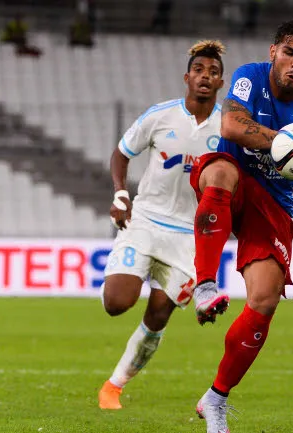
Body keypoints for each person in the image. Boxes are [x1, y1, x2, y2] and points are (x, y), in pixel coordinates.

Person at [189, 20, 293, 433]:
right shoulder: (249, 76)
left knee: (264, 299)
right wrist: (287, 143)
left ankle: (216, 398)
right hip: (232, 178)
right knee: (220, 171)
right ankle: (205, 286)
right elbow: (230, 127)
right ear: (273, 52)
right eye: (288, 52)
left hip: (273, 203)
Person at [97, 41, 225, 410]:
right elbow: (122, 153)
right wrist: (121, 194)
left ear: (220, 83)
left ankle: (113, 387)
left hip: (189, 237)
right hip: (145, 222)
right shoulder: (161, 115)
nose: (205, 76)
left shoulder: (228, 127)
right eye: (199, 70)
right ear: (187, 77)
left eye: (213, 72)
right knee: (116, 303)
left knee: (158, 313)